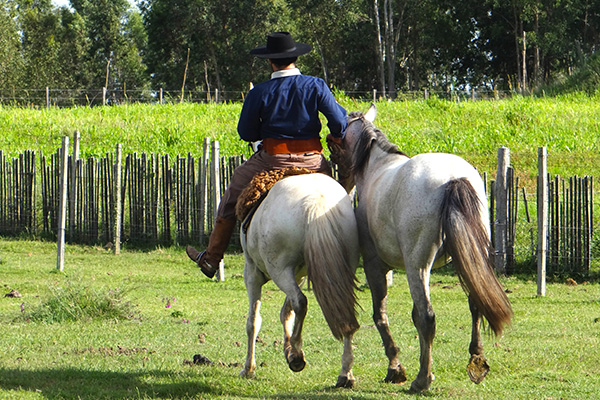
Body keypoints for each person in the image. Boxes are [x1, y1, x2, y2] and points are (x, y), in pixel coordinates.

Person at [186, 31, 347, 278]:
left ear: (270, 61)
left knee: (232, 196)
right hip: (313, 160)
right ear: (295, 58)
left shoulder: (260, 92)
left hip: (272, 160)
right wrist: (334, 134)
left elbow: (246, 133)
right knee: (341, 199)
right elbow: (338, 121)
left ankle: (211, 258)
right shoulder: (316, 85)